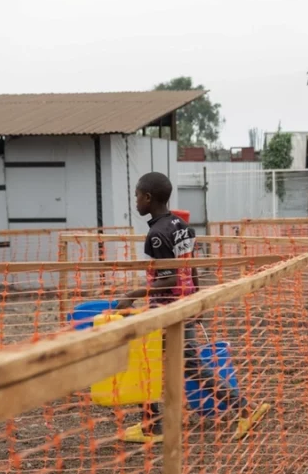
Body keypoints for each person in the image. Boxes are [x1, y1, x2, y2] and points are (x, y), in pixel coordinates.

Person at [116, 172, 270, 443]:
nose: (135, 202)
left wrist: (132, 294)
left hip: (167, 311)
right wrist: (196, 300)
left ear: (149, 198)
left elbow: (172, 276)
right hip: (184, 306)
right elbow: (190, 268)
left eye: (137, 196)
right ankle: (154, 425)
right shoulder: (182, 225)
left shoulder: (156, 234)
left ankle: (242, 409)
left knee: (151, 363)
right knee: (176, 365)